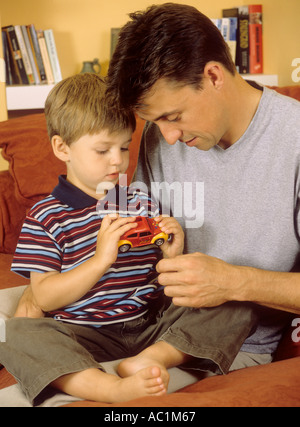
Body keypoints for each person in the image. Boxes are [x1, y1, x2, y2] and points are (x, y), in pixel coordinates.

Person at [0, 73, 257, 405]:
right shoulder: (46, 216)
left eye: (123, 147)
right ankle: (107, 388)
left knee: (237, 300)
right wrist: (100, 260)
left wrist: (171, 256)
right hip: (84, 333)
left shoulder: (139, 201)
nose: (118, 160)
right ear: (62, 148)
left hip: (150, 325)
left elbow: (163, 284)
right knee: (16, 334)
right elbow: (45, 298)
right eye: (102, 150)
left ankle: (155, 359)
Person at [106, 3, 300, 364]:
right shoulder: (158, 136)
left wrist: (233, 282)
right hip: (144, 327)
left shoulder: (294, 139)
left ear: (213, 76)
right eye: (155, 121)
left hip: (225, 347)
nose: (168, 137)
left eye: (174, 116)